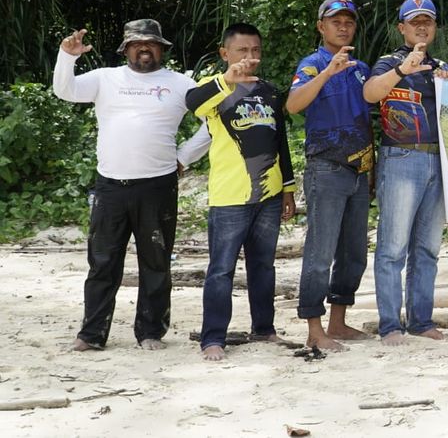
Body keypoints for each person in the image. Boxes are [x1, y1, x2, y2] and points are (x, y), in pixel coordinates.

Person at [54, 19, 210, 351]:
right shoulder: (105, 78)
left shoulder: (181, 84)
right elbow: (64, 91)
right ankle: (91, 334)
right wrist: (66, 57)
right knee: (102, 263)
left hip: (158, 187)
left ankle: (151, 332)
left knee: (156, 262)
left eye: (151, 43)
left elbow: (212, 121)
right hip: (110, 187)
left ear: (162, 49)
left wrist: (184, 157)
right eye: (137, 43)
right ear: (125, 49)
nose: (144, 48)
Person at [187, 23, 296, 361]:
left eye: (255, 51)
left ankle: (263, 329)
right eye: (241, 51)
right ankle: (213, 338)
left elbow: (280, 143)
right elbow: (192, 102)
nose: (249, 57)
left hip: (269, 195)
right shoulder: (213, 88)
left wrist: (288, 190)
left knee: (263, 267)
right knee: (221, 269)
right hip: (229, 197)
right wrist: (227, 80)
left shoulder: (271, 92)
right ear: (225, 54)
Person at [363, 0, 448, 345]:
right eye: (414, 21)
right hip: (401, 158)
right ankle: (389, 325)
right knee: (393, 246)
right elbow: (370, 94)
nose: (421, 26)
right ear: (401, 27)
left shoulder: (442, 65)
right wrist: (403, 69)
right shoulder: (389, 61)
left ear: (434, 27)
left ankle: (421, 320)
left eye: (427, 21)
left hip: (439, 161)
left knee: (428, 247)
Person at [288, 0, 375, 351]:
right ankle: (314, 328)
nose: (342, 26)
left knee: (354, 251)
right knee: (320, 251)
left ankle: (338, 322)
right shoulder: (312, 64)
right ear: (321, 26)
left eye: (349, 21)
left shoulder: (363, 69)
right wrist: (328, 72)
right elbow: (293, 105)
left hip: (360, 169)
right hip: (326, 167)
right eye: (335, 21)